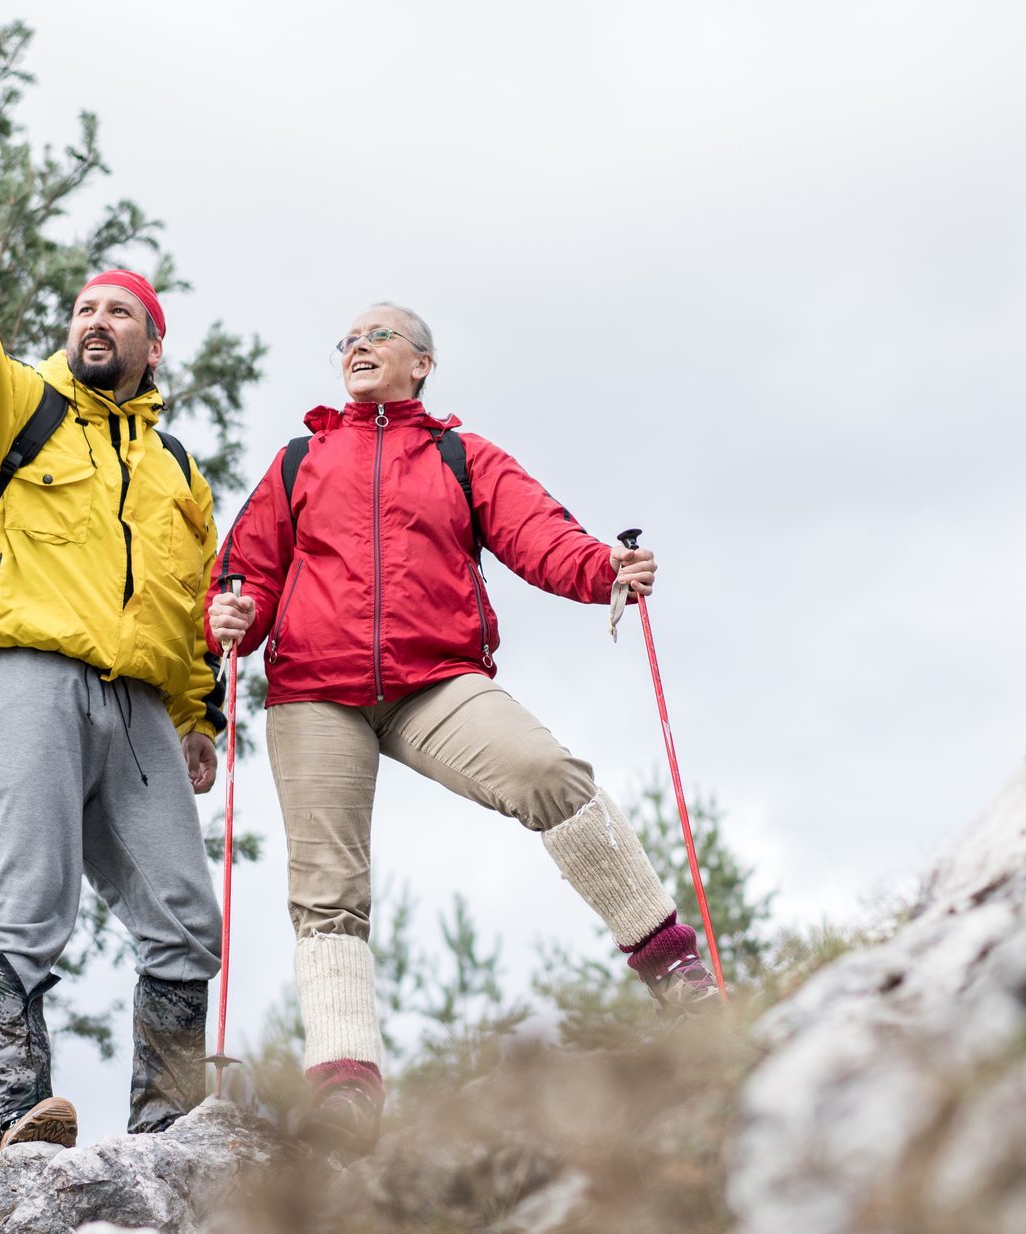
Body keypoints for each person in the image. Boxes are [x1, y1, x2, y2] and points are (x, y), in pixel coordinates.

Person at [207, 302, 716, 1153]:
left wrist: (608, 570)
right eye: (347, 341)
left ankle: (677, 969)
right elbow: (244, 573)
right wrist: (228, 614)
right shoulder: (299, 459)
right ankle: (344, 1089)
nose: (358, 348)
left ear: (423, 364)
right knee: (326, 896)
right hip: (313, 692)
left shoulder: (458, 455)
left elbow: (539, 536)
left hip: (434, 681)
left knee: (547, 772)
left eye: (378, 336)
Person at [0, 151, 226, 1154]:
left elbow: (190, 600)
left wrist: (199, 716)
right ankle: (17, 1114)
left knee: (188, 916)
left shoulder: (179, 471)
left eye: (118, 313)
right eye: (83, 310)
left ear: (155, 345)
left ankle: (166, 1128)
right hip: (26, 676)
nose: (93, 321)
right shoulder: (16, 408)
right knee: (26, 904)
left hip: (142, 709)